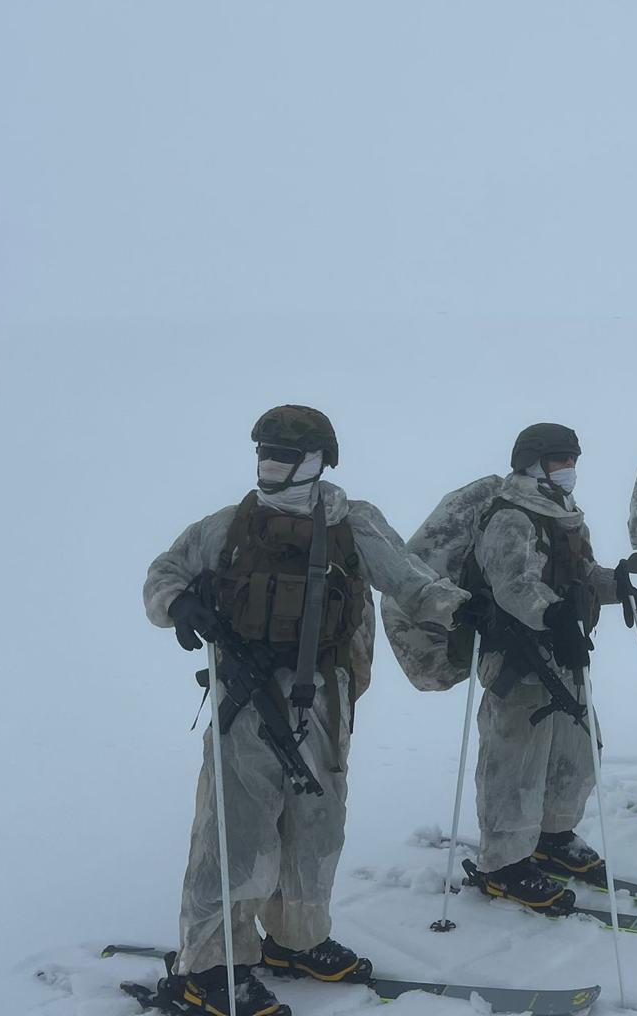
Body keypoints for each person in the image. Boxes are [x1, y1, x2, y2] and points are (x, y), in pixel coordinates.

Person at [144, 405, 469, 1016]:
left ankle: (297, 940)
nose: (270, 464)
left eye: (286, 454)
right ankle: (211, 966)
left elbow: (412, 581)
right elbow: (162, 574)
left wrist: (462, 614)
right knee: (236, 831)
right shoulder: (229, 526)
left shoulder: (353, 524)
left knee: (316, 828)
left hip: (326, 697)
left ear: (320, 460)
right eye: (264, 451)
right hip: (246, 700)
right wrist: (180, 604)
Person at [462, 423, 619, 914]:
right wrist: (552, 616)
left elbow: (582, 572)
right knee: (516, 760)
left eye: (572, 459)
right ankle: (504, 863)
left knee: (577, 746)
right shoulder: (511, 516)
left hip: (565, 652)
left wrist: (620, 586)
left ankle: (554, 834)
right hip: (518, 657)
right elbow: (513, 584)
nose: (569, 469)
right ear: (531, 463)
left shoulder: (567, 516)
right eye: (558, 460)